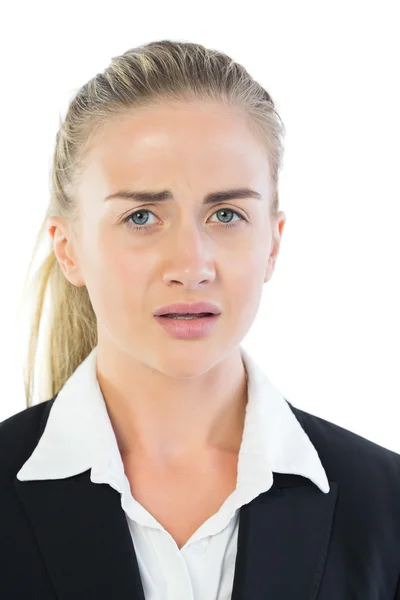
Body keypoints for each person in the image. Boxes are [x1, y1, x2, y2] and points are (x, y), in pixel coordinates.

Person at [1, 39, 400, 600]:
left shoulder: (386, 507)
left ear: (272, 245)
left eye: (227, 214)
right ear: (69, 250)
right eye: (142, 215)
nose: (191, 265)